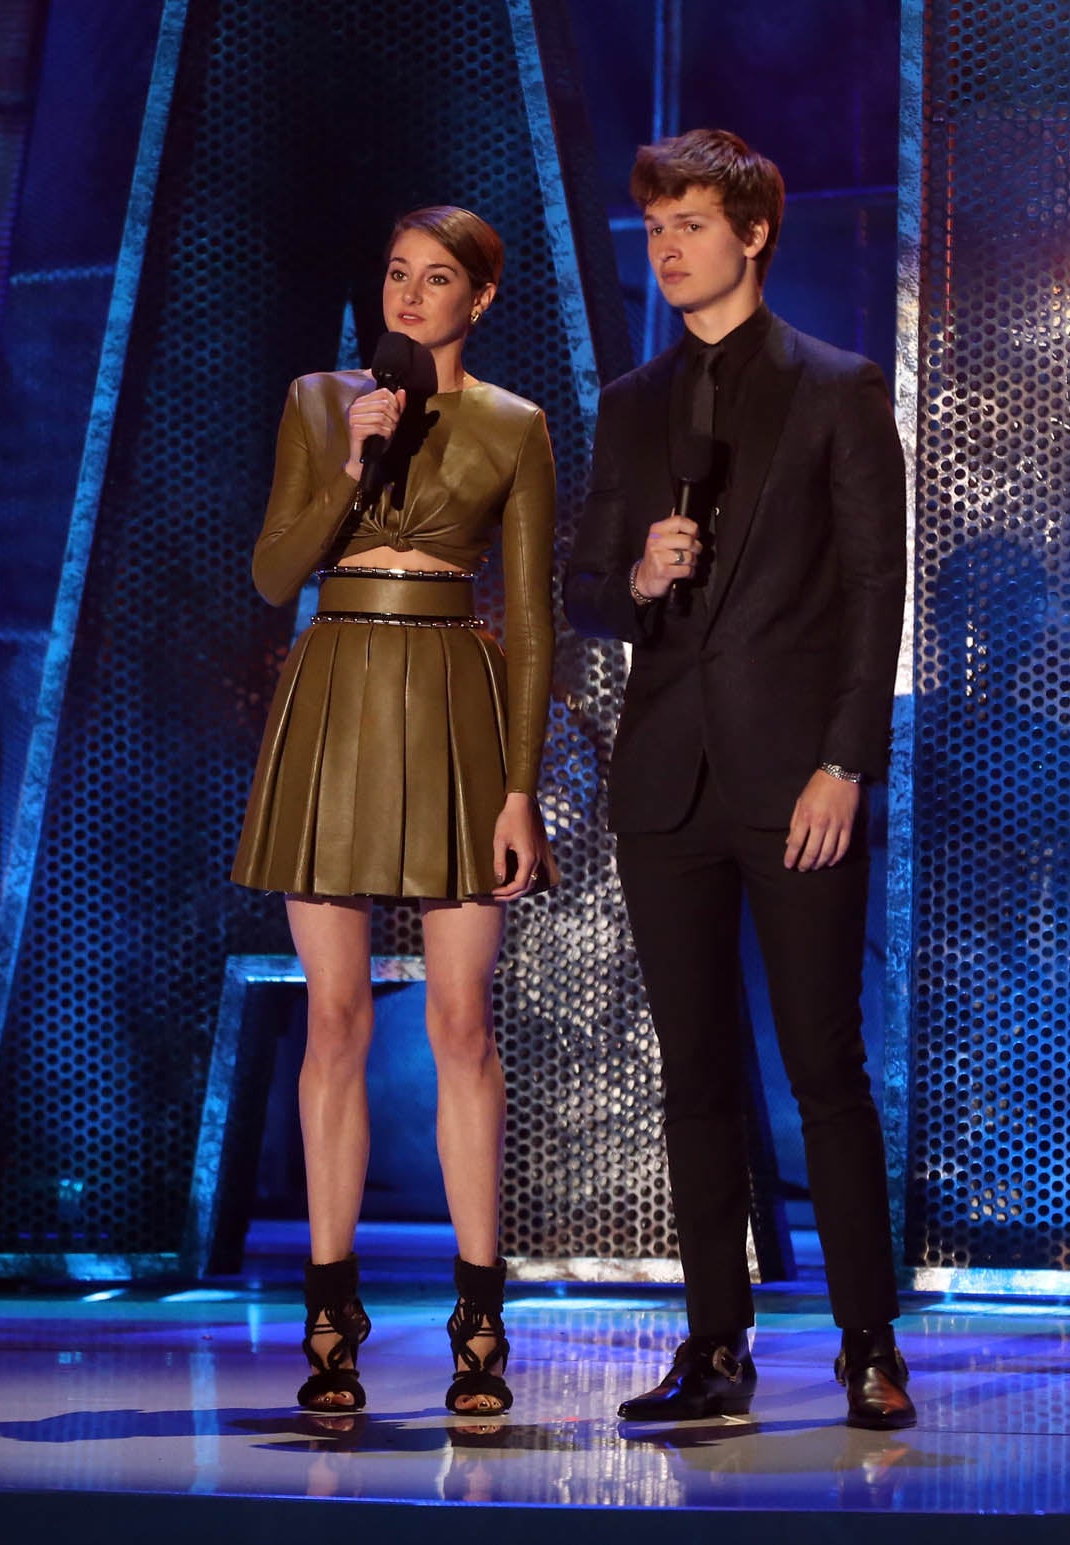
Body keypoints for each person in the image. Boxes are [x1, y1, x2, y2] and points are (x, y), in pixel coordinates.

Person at [562, 130, 912, 1429]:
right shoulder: (631, 404)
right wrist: (642, 576)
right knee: (693, 1069)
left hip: (794, 781)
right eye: (655, 225)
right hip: (667, 786)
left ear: (754, 234)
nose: (667, 247)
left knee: (824, 1062)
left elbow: (876, 591)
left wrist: (844, 763)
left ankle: (869, 1340)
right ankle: (715, 1346)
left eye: (692, 225)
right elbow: (587, 590)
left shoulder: (836, 387)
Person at [233, 205, 557, 1418]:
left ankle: (479, 1309)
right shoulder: (323, 401)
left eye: (436, 279)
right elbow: (275, 574)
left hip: (455, 707)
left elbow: (529, 624)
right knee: (332, 1022)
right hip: (334, 694)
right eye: (394, 274)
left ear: (479, 299)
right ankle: (331, 1309)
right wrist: (349, 465)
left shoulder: (514, 426)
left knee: (462, 1022)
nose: (408, 295)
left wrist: (520, 786)